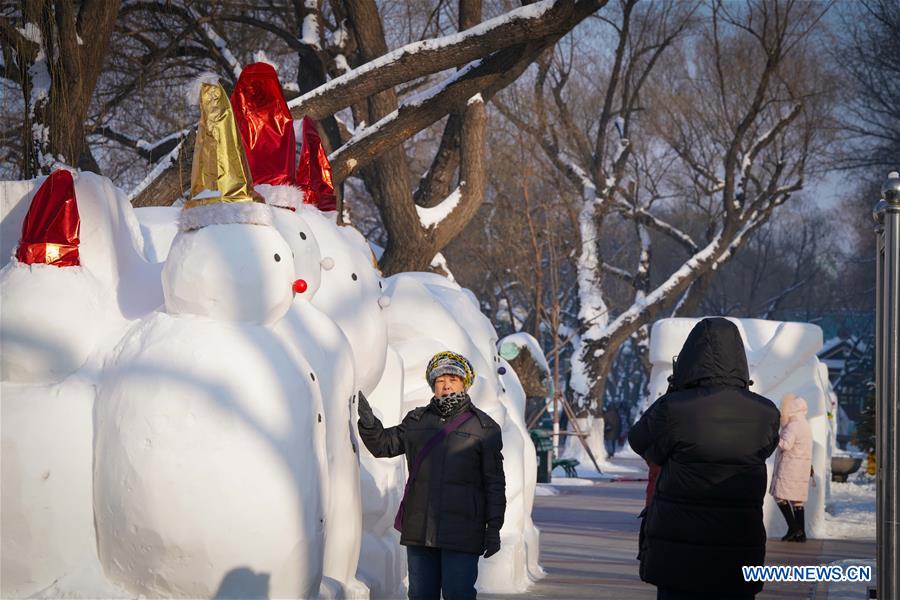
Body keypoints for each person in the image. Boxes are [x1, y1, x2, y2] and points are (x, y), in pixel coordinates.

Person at [628, 318, 780, 600]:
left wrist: (675, 391)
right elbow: (766, 448)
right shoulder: (766, 413)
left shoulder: (674, 408)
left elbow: (640, 441)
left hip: (678, 554)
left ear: (688, 358)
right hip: (738, 547)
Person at [356, 351, 506, 600]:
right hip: (420, 530)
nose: (446, 384)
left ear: (464, 383)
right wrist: (370, 423)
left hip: (463, 531)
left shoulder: (484, 428)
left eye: (453, 378)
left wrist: (494, 527)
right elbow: (384, 445)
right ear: (433, 385)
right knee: (420, 595)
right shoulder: (417, 421)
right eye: (439, 380)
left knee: (458, 594)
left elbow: (494, 483)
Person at [770, 393, 813, 542]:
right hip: (801, 467)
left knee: (779, 496)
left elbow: (786, 445)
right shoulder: (804, 424)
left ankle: (793, 527)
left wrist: (774, 438)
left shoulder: (792, 426)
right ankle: (801, 533)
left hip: (789, 468)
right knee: (797, 500)